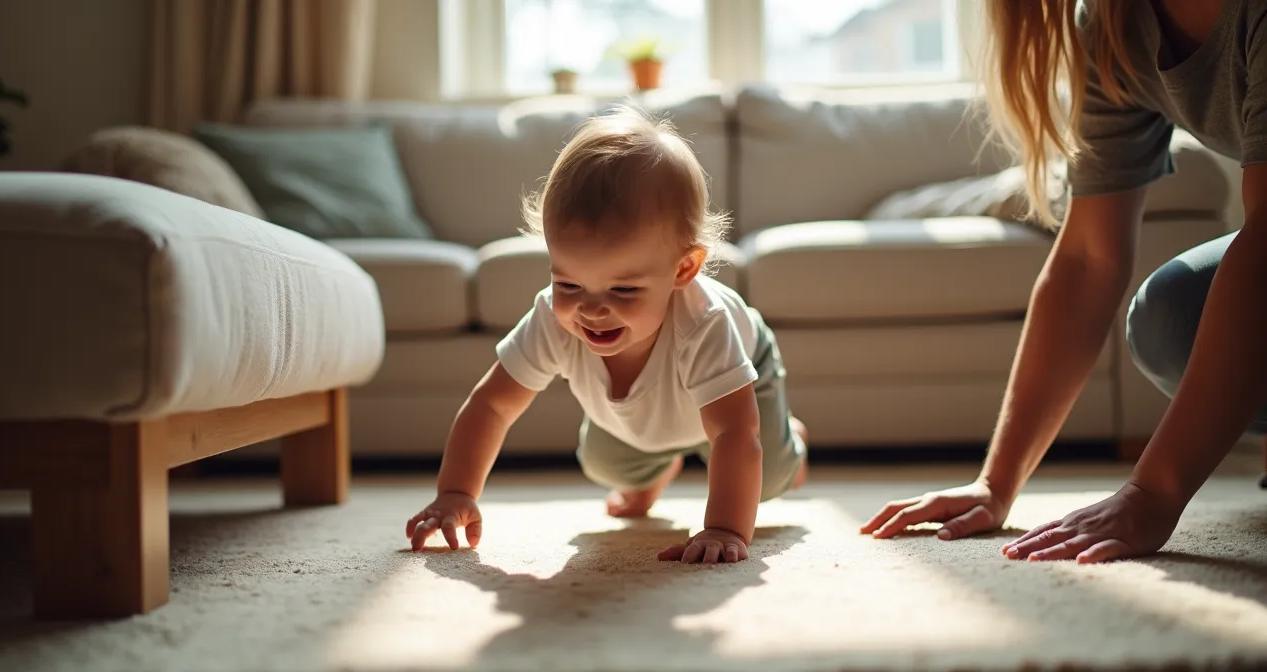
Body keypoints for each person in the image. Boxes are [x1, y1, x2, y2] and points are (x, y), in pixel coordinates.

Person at [861, 0, 1266, 564]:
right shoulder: (1112, 26)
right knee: (1171, 317)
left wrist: (1153, 492)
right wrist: (996, 484)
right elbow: (1086, 260)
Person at [405, 104, 809, 565]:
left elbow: (736, 432)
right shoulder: (553, 318)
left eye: (623, 288)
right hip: (653, 414)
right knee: (603, 464)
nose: (592, 308)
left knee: (767, 476)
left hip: (742, 385)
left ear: (682, 269)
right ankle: (658, 467)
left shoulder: (705, 322)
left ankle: (791, 440)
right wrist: (456, 492)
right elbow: (492, 404)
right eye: (569, 284)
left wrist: (723, 529)